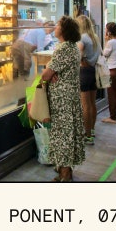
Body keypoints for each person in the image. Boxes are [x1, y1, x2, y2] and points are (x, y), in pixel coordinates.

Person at [40, 15, 85, 182]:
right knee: (68, 132)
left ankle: (64, 175)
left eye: (58, 24)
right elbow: (53, 71)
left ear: (64, 30)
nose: (55, 26)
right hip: (71, 96)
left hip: (61, 99)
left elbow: (45, 75)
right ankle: (67, 170)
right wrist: (52, 72)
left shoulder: (63, 48)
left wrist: (48, 72)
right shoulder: (73, 47)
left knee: (62, 134)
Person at [76, 14, 101, 145]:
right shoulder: (95, 37)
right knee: (92, 103)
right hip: (94, 71)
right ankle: (92, 129)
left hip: (84, 72)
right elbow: (100, 54)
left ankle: (87, 135)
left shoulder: (82, 38)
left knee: (85, 105)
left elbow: (77, 55)